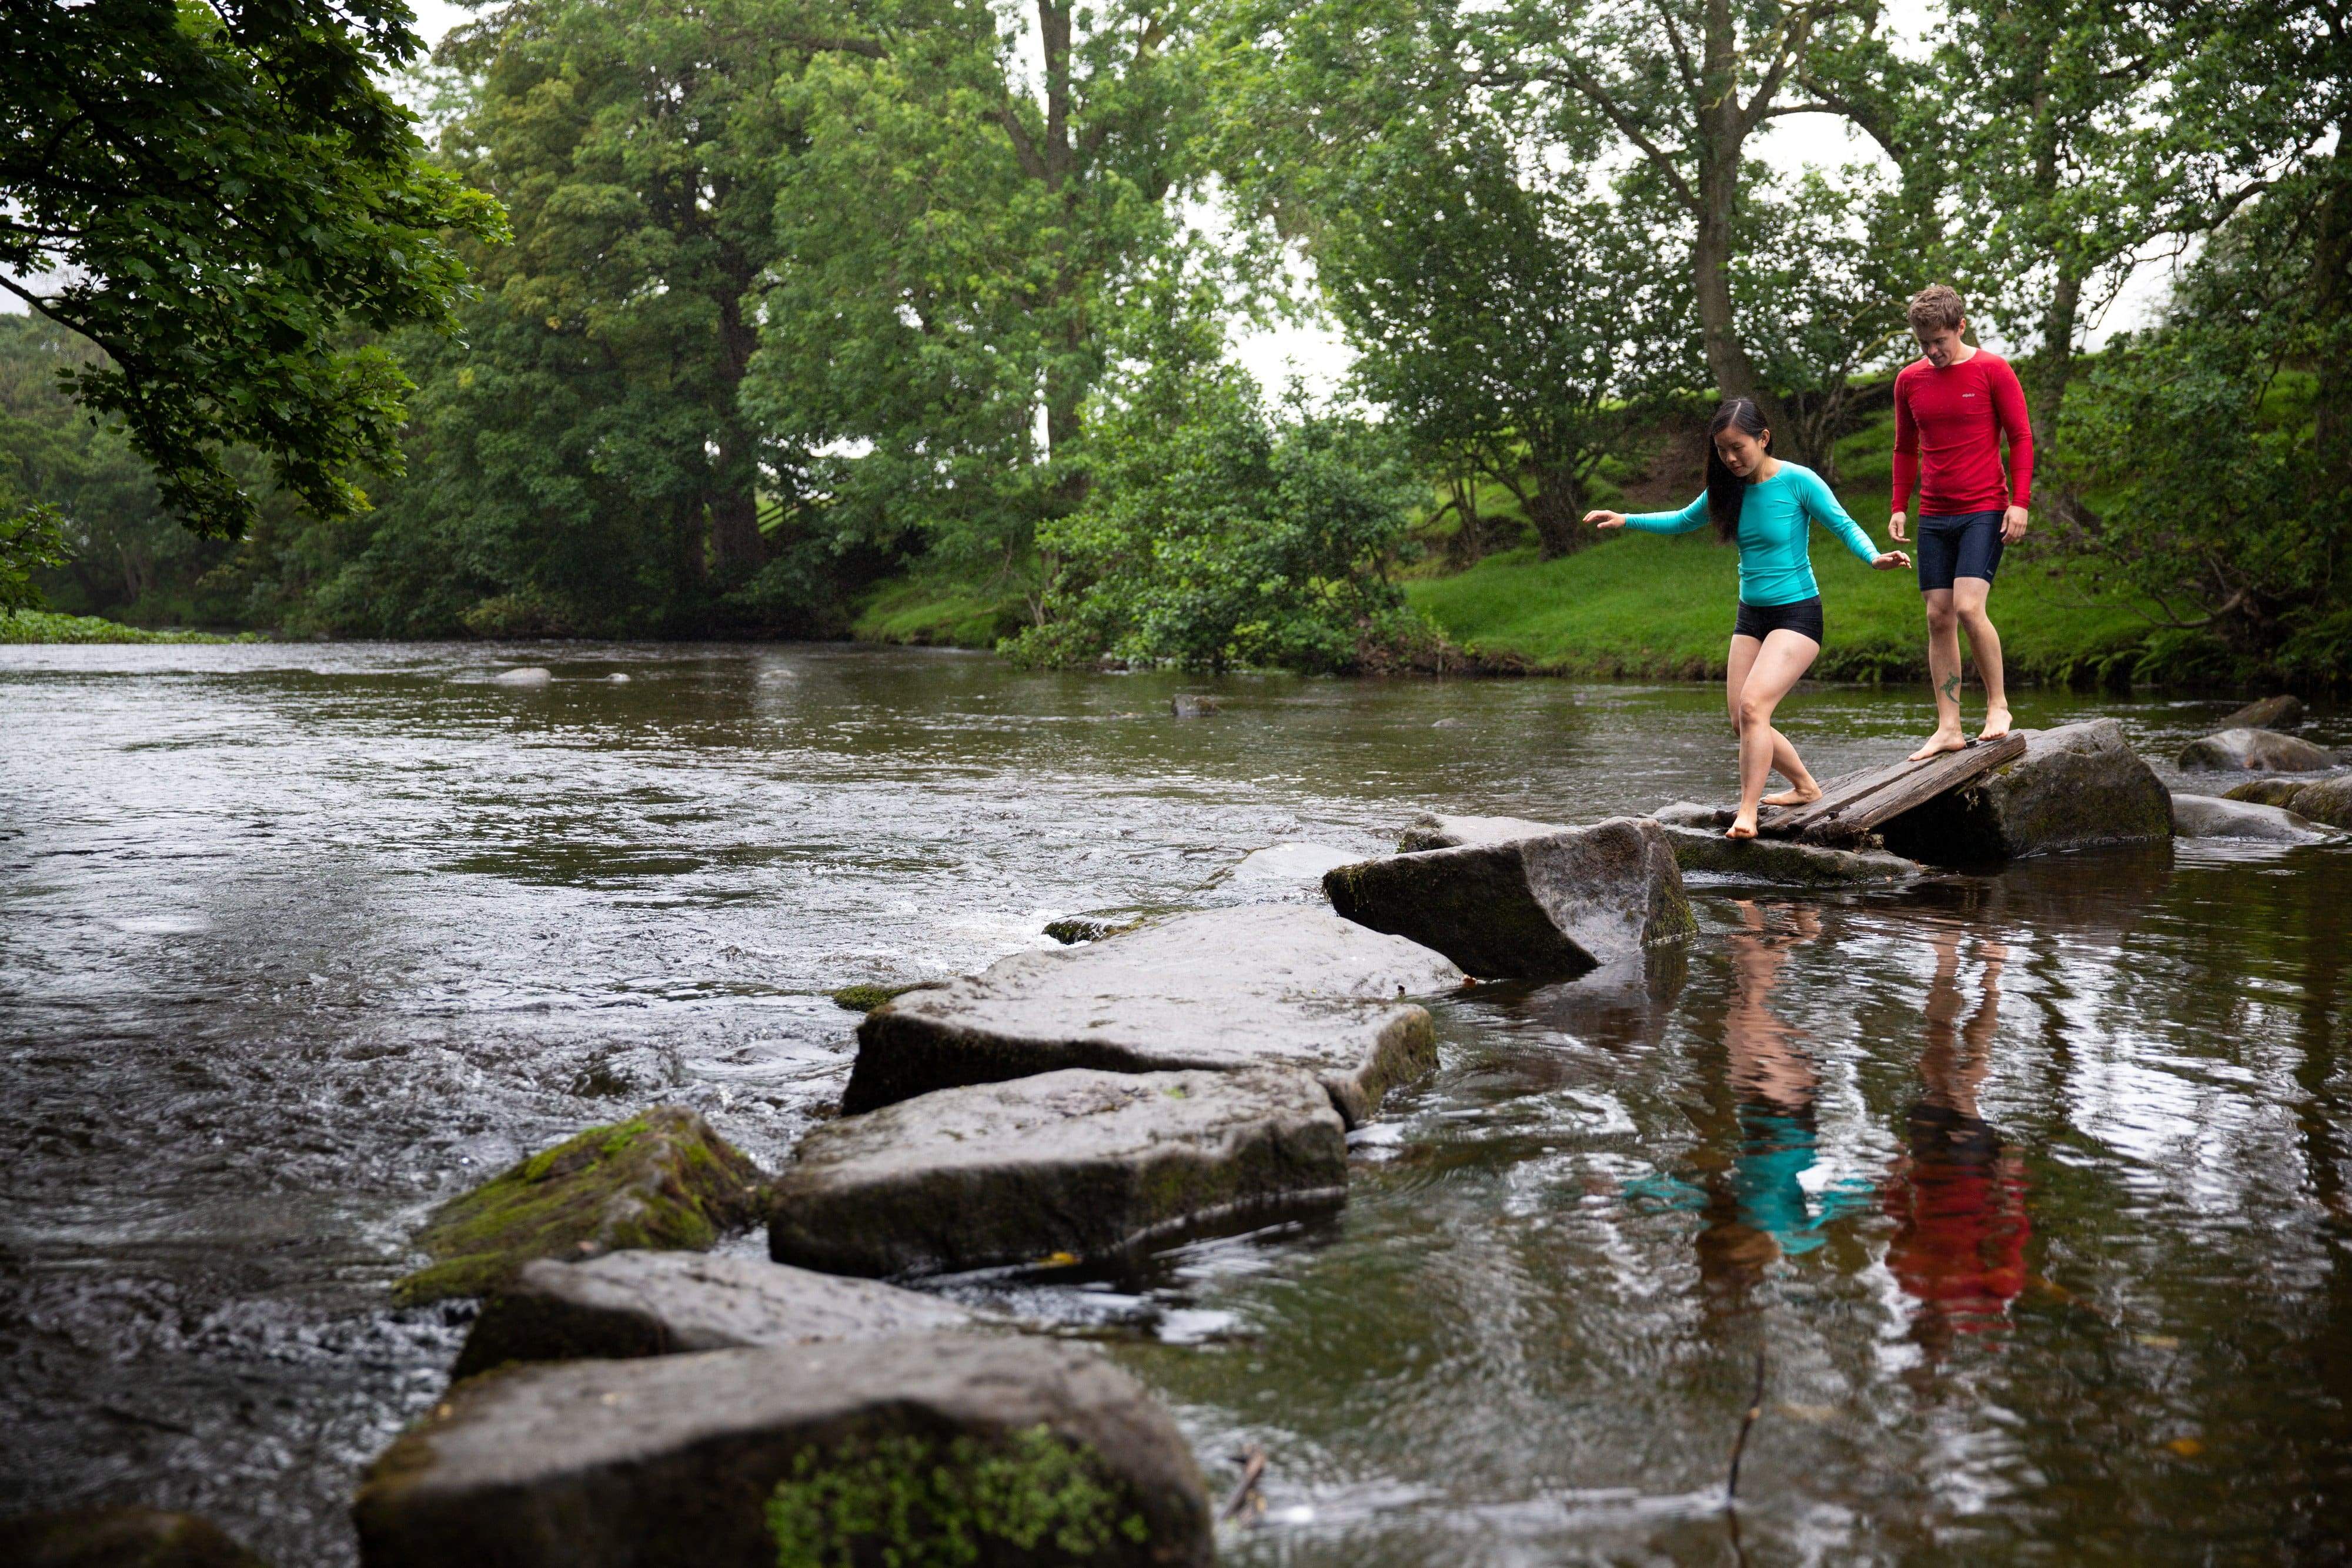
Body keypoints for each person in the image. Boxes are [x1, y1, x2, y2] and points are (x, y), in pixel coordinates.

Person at [1586, 397, 1910, 838]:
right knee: (1742, 720)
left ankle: (1746, 812)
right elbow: (1683, 520)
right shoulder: (1728, 487)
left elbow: (1845, 524)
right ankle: (1805, 786)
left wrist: (1873, 558)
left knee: (1755, 705)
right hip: (1751, 615)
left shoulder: (1798, 481)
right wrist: (1627, 518)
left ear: (1763, 438)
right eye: (1722, 450)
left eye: (1738, 447)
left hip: (1797, 613)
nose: (1730, 458)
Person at [1889, 284, 2035, 759]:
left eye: (1940, 342)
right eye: (1923, 343)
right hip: (1935, 512)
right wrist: (1898, 505)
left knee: (1970, 607)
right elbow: (1904, 447)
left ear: (1960, 327)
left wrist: (2021, 502)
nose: (1932, 352)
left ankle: (1998, 706)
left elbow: (2020, 436)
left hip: (1984, 508)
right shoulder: (1909, 380)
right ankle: (1949, 725)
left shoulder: (1993, 370)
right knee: (1938, 615)